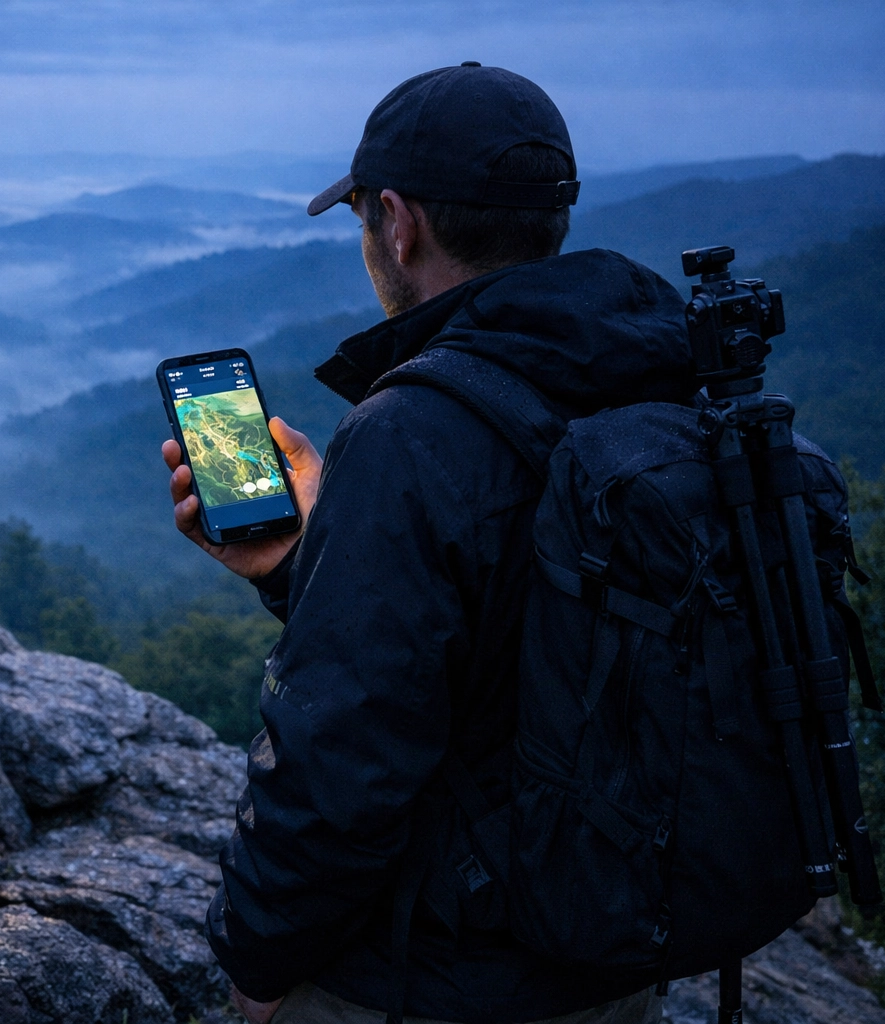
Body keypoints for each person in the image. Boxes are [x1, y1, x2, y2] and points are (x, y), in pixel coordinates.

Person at [161, 64, 693, 1023]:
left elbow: (342, 765)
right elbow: (520, 652)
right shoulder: (649, 377)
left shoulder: (412, 433)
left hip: (443, 978)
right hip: (610, 959)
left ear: (398, 223)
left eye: (363, 215)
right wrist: (307, 564)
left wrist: (254, 962)